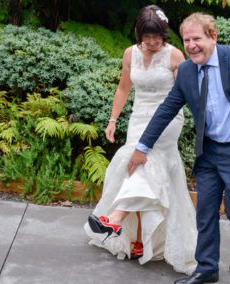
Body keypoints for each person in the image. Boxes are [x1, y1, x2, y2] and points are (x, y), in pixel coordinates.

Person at [128, 12, 230, 284]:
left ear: (213, 36)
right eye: (186, 40)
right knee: (205, 210)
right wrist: (142, 146)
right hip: (210, 151)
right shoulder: (186, 71)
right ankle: (207, 268)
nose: (191, 45)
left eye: (197, 38)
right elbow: (166, 110)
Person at [84, 5, 197, 275]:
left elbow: (186, 94)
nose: (152, 42)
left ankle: (114, 218)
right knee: (135, 167)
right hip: (138, 118)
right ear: (139, 34)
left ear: (164, 33)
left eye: (157, 36)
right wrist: (112, 120)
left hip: (168, 120)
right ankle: (137, 241)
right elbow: (124, 87)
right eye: (147, 37)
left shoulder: (175, 55)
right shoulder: (129, 54)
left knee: (143, 160)